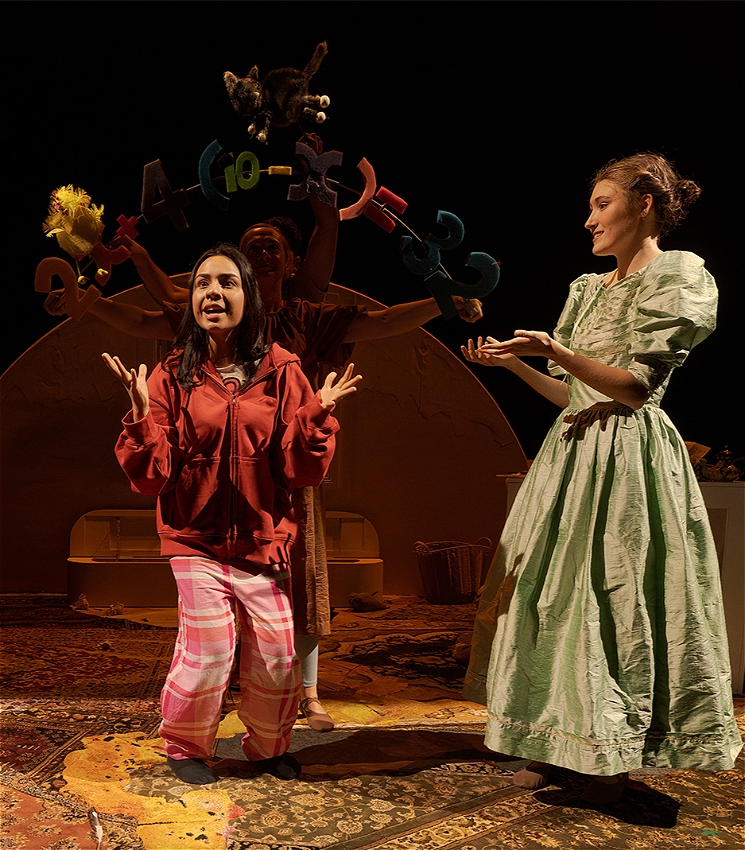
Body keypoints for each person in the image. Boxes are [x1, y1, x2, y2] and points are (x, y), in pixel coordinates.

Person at [48, 216, 481, 732]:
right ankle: (211, 706)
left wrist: (446, 301)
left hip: (286, 478)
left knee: (301, 589)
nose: (263, 255)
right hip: (205, 510)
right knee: (214, 630)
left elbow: (382, 322)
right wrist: (89, 294)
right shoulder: (188, 349)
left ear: (286, 266)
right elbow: (151, 309)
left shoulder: (299, 333)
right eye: (252, 247)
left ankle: (304, 692)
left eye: (274, 247)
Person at [461, 153, 741, 805]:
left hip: (624, 462)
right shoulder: (587, 290)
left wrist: (556, 351)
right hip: (569, 460)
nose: (588, 220)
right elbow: (572, 395)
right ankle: (559, 750)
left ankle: (608, 763)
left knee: (612, 604)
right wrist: (516, 367)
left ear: (644, 203)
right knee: (556, 605)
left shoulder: (679, 274)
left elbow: (635, 388)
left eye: (602, 204)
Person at [103, 243, 361, 784]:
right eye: (201, 284)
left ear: (250, 296)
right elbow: (153, 474)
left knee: (276, 654)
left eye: (226, 283)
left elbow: (299, 471)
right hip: (193, 537)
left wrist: (314, 419)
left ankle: (268, 746)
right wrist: (139, 418)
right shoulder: (173, 374)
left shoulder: (282, 370)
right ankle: (185, 746)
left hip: (261, 539)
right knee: (211, 647)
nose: (212, 293)